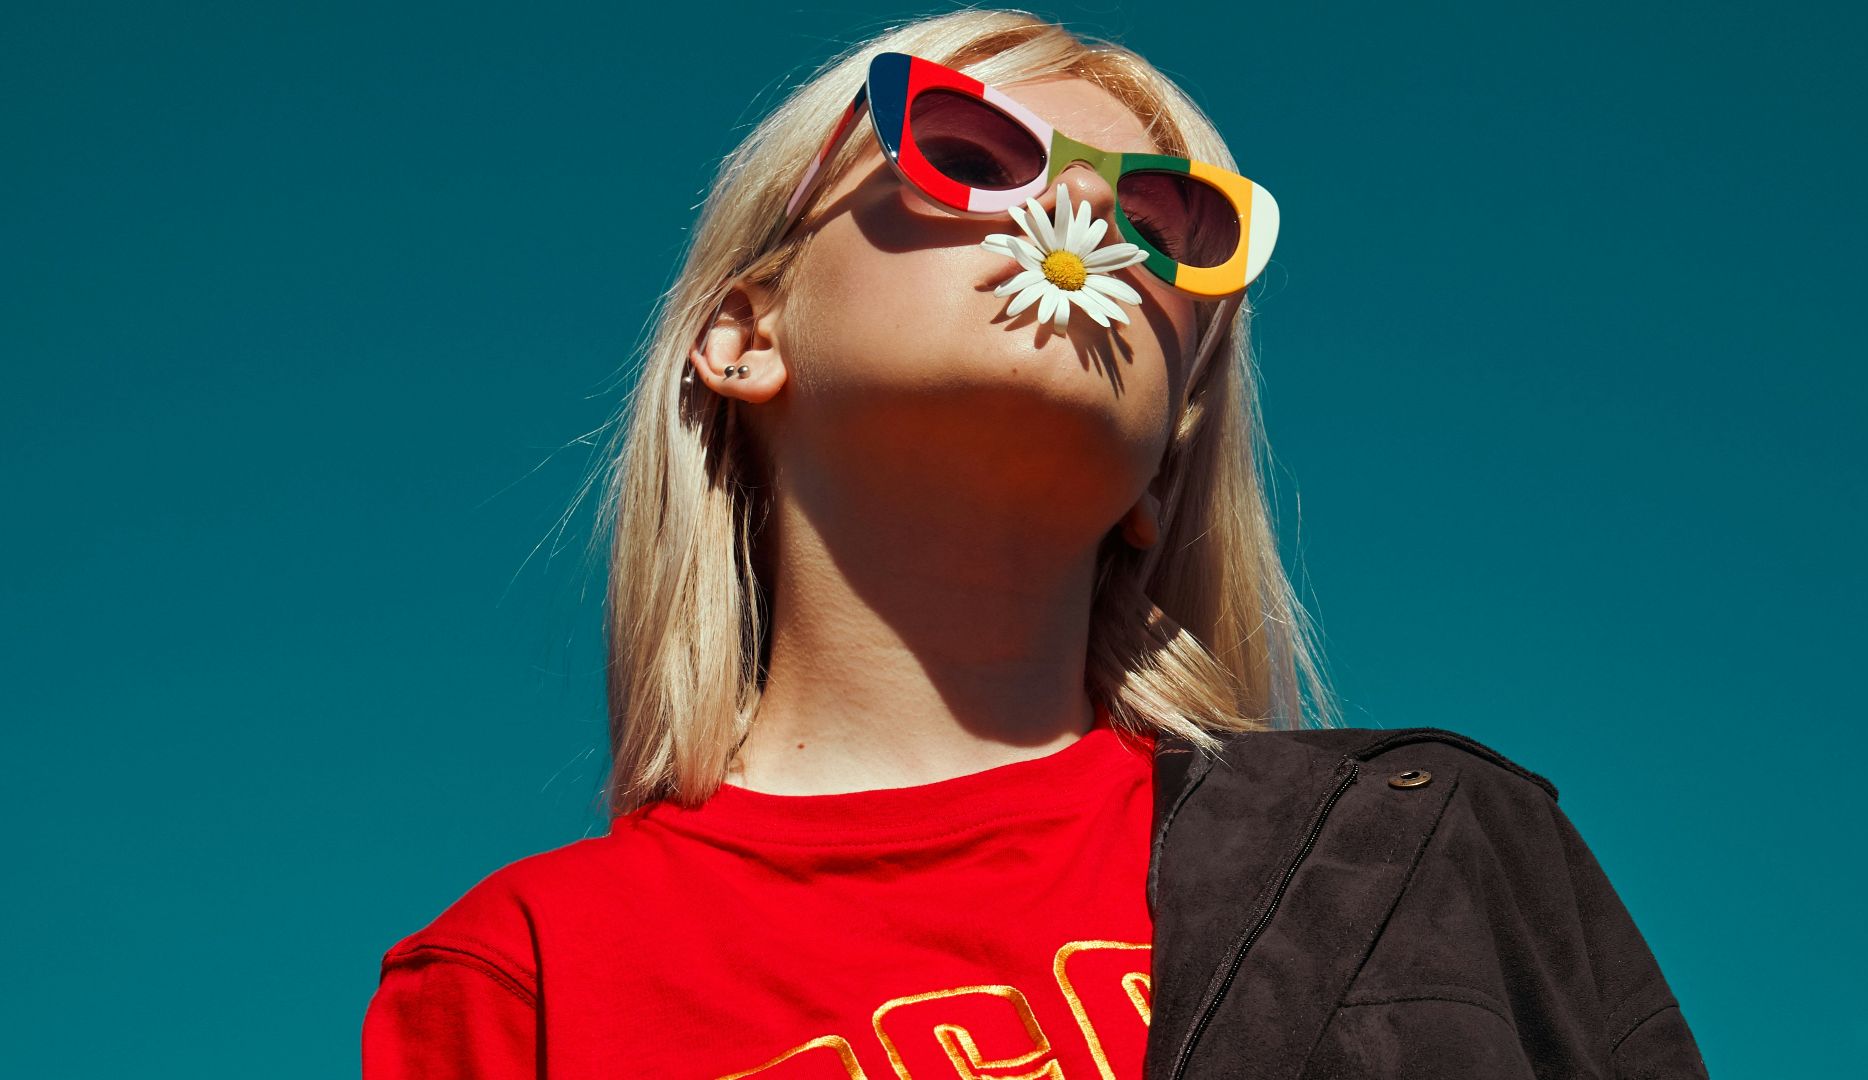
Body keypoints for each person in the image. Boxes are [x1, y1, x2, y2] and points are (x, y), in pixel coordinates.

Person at [361, 10, 1709, 1078]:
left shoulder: (1422, 858)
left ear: (1179, 429)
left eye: (1173, 220)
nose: (1087, 231)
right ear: (748, 334)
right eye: (971, 145)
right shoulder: (521, 976)